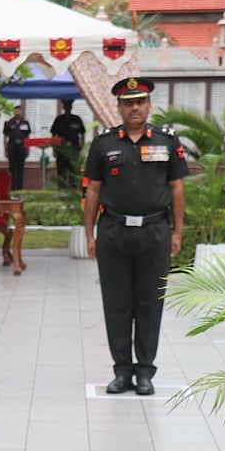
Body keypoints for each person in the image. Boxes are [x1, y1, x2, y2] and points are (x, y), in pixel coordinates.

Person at [84, 78, 187, 396]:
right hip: (113, 232)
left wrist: (177, 232)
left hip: (154, 231)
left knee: (149, 303)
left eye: (140, 101)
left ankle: (145, 371)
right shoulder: (103, 143)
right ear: (118, 107)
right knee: (116, 304)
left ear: (148, 105)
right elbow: (93, 190)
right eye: (128, 103)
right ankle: (121, 371)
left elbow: (177, 189)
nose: (135, 108)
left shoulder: (167, 141)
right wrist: (90, 234)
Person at [50, 99, 86, 189]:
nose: (67, 108)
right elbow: (53, 135)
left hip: (74, 149)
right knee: (61, 171)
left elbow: (82, 134)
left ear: (71, 107)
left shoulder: (76, 119)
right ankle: (61, 190)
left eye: (69, 106)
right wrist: (54, 150)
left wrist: (82, 148)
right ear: (63, 107)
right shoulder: (59, 119)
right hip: (61, 150)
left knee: (73, 170)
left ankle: (72, 190)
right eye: (66, 106)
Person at [3, 105, 31, 191]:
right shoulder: (9, 122)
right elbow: (5, 137)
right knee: (12, 168)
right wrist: (5, 149)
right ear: (14, 112)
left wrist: (28, 149)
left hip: (22, 147)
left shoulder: (25, 123)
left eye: (19, 111)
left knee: (20, 169)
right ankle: (12, 188)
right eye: (16, 111)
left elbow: (27, 137)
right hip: (12, 146)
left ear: (21, 112)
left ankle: (20, 188)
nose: (18, 113)